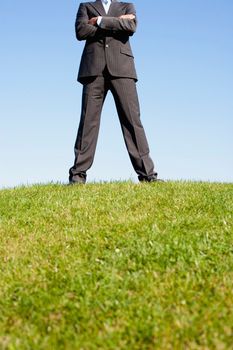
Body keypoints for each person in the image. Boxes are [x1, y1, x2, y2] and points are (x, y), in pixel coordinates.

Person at [69, 0, 161, 184]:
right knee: (87, 123)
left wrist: (100, 21)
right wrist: (116, 22)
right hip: (93, 70)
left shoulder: (128, 6)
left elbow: (131, 26)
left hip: (123, 69)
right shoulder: (85, 7)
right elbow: (81, 31)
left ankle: (148, 175)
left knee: (132, 121)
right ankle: (77, 177)